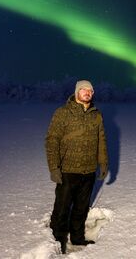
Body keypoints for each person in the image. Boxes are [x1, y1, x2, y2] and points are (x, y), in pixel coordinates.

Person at [45, 80, 108, 254]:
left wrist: (103, 163)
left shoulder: (96, 115)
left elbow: (101, 140)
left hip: (88, 170)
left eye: (90, 91)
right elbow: (52, 141)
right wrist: (54, 168)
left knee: (81, 207)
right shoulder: (63, 113)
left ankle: (78, 238)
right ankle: (57, 241)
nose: (87, 93)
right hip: (67, 170)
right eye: (84, 90)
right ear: (77, 92)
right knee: (62, 208)